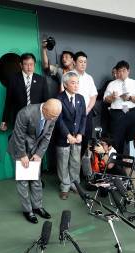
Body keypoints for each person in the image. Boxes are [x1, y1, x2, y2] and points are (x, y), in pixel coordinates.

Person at [7, 99, 61, 224]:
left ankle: (37, 207)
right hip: (20, 148)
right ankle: (28, 210)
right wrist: (22, 155)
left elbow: (47, 136)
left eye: (55, 117)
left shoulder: (53, 115)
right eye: (52, 116)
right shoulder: (26, 113)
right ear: (45, 110)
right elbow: (18, 135)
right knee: (23, 181)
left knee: (36, 180)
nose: (54, 119)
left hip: (35, 149)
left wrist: (39, 154)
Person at [55, 72, 86, 200]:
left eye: (77, 82)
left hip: (77, 137)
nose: (76, 85)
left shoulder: (80, 98)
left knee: (75, 161)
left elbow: (83, 117)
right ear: (65, 84)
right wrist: (67, 135)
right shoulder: (58, 98)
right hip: (63, 137)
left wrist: (80, 133)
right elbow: (59, 120)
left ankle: (75, 184)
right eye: (73, 82)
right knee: (63, 163)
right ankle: (65, 187)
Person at [0, 53, 49, 132]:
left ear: (34, 65)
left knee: (35, 142)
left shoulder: (41, 80)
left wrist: (47, 119)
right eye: (26, 64)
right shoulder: (13, 79)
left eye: (31, 64)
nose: (29, 67)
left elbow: (45, 100)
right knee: (20, 142)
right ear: (21, 65)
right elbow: (8, 101)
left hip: (36, 118)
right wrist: (4, 120)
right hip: (19, 117)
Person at [103, 60, 135, 153]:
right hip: (117, 114)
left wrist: (129, 97)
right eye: (119, 71)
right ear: (116, 72)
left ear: (128, 71)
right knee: (117, 140)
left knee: (133, 139)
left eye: (124, 70)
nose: (121, 73)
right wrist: (112, 97)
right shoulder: (112, 84)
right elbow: (105, 99)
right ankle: (116, 164)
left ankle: (132, 162)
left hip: (132, 112)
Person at [72, 51, 97, 153]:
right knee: (73, 141)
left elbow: (93, 96)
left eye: (85, 62)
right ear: (74, 62)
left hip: (87, 113)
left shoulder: (89, 78)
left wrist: (88, 109)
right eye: (80, 61)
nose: (83, 64)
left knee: (85, 140)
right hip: (72, 113)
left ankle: (82, 168)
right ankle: (73, 168)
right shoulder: (69, 75)